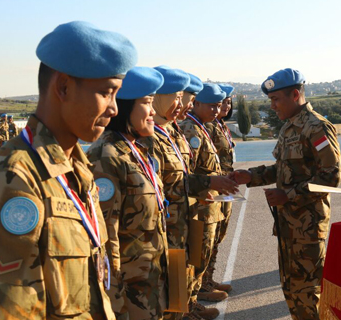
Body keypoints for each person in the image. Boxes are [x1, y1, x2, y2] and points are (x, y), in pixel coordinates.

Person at [0, 21, 138, 319]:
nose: (114, 108)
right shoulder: (11, 181)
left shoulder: (77, 170)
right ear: (63, 87)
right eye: (107, 93)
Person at [230, 68, 341, 320]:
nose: (272, 106)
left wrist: (288, 196)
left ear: (295, 94)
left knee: (308, 293)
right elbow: (284, 170)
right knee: (292, 290)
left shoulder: (317, 128)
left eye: (276, 99)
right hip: (287, 225)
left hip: (308, 227)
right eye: (270, 100)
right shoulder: (289, 128)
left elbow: (331, 177)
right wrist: (251, 176)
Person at [87, 66, 169, 320]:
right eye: (146, 102)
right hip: (128, 294)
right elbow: (105, 236)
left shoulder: (134, 149)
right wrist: (114, 300)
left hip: (148, 282)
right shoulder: (107, 157)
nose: (153, 111)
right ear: (123, 107)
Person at [180, 83, 230, 312]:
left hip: (209, 201)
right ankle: (191, 305)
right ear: (196, 104)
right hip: (198, 205)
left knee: (205, 253)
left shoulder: (201, 127)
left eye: (218, 106)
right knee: (196, 259)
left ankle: (195, 301)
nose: (216, 110)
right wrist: (211, 182)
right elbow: (185, 175)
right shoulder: (190, 129)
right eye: (211, 106)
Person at [201, 83, 236, 298]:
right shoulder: (207, 126)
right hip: (213, 188)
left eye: (227, 102)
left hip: (224, 185)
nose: (224, 106)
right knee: (207, 239)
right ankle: (202, 284)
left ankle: (208, 278)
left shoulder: (220, 125)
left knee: (217, 236)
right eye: (221, 102)